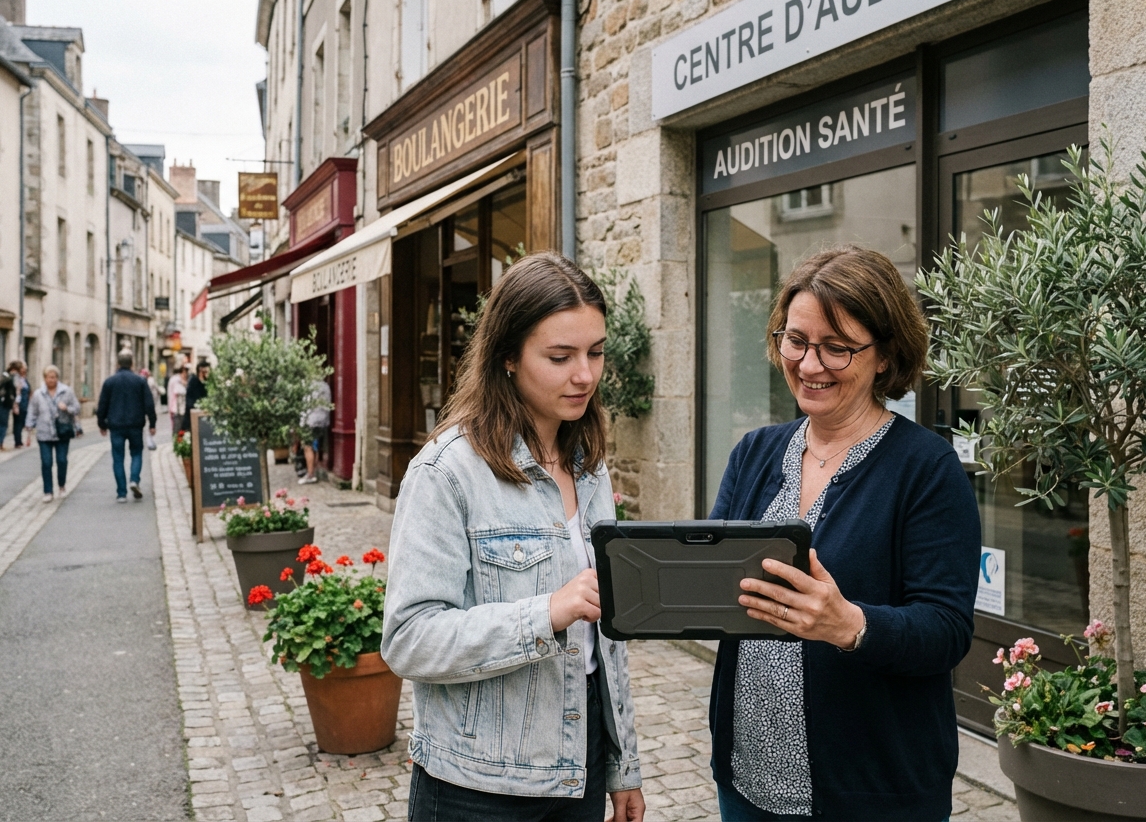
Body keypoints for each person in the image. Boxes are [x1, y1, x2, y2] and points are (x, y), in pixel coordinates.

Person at [707, 246, 980, 822]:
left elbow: (947, 630)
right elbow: (718, 585)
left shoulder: (927, 468)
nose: (809, 364)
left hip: (873, 790)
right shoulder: (754, 453)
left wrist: (851, 626)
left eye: (837, 348)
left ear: (884, 356)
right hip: (749, 779)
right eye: (796, 340)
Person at [382, 252, 645, 822]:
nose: (585, 375)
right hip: (478, 787)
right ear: (507, 357)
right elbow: (409, 639)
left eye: (595, 353)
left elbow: (605, 642)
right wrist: (546, 612)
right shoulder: (447, 472)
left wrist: (622, 766)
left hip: (580, 767)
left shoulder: (588, 464)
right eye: (560, 356)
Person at [97, 350, 158, 502]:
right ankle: (134, 480)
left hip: (116, 425)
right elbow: (149, 404)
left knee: (118, 458)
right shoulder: (140, 381)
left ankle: (121, 493)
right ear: (132, 364)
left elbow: (102, 404)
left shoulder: (109, 382)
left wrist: (102, 423)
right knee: (136, 453)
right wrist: (152, 422)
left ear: (117, 364)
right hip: (135, 424)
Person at [24, 364, 81, 502]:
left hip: (62, 432)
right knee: (46, 462)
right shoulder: (38, 394)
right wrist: (29, 429)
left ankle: (61, 486)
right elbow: (32, 411)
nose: (52, 380)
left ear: (57, 378)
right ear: (44, 378)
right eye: (49, 377)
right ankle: (48, 491)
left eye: (54, 377)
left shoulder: (66, 391)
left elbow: (77, 408)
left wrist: (67, 408)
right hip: (44, 432)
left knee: (62, 460)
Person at [298, 378, 331, 485]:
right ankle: (314, 471)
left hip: (310, 420)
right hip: (323, 420)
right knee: (316, 447)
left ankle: (310, 474)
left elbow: (306, 406)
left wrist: (301, 423)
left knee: (308, 447)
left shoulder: (308, 386)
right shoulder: (325, 386)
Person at [11, 361, 29, 448]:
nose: (24, 370)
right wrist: (16, 405)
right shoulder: (17, 378)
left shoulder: (24, 379)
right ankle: (18, 441)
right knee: (18, 423)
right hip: (19, 403)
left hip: (25, 403)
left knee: (21, 422)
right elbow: (17, 392)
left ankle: (19, 440)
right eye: (22, 368)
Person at [168, 364, 189, 434]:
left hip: (181, 410)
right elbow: (176, 392)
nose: (186, 375)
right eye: (185, 373)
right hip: (176, 410)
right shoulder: (175, 380)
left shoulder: (177, 380)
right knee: (177, 430)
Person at [0, 361, 17, 449]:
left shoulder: (5, 376)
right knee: (3, 424)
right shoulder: (9, 378)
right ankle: (1, 442)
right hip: (4, 403)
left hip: (3, 403)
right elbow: (12, 392)